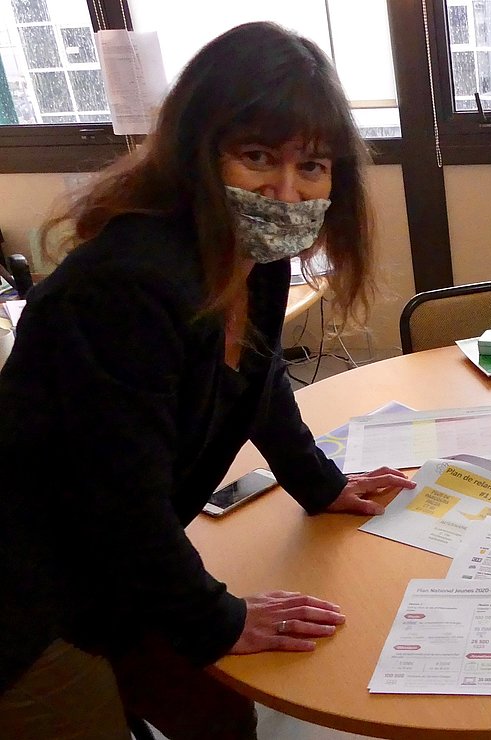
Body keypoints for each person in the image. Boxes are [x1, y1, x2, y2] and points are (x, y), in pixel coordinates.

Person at [0, 22, 415, 740]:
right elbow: (121, 504)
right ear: (198, 153)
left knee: (220, 713)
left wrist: (319, 482)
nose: (287, 192)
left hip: (121, 568)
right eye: (257, 157)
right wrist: (216, 618)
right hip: (28, 599)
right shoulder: (124, 288)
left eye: (313, 166)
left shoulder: (255, 257)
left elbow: (258, 382)